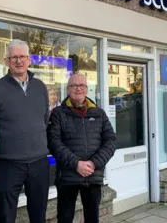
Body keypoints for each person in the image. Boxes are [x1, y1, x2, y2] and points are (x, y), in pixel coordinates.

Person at [0, 39, 50, 223]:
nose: (18, 61)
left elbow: (45, 119)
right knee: (5, 216)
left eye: (22, 57)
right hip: (8, 164)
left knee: (39, 214)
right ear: (6, 61)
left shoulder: (40, 87)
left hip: (39, 162)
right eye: (14, 57)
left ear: (29, 59)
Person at [47, 73, 116, 223]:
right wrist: (76, 164)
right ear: (68, 89)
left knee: (92, 218)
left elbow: (111, 140)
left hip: (93, 175)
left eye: (82, 85)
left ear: (87, 89)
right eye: (74, 85)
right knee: (65, 218)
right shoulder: (58, 114)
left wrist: (94, 163)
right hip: (67, 177)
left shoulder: (99, 113)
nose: (78, 89)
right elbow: (54, 143)